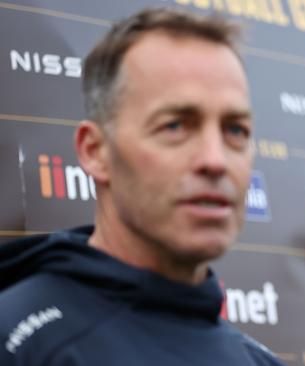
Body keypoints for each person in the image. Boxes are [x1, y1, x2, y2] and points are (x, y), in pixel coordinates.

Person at [0, 8, 284, 366]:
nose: (215, 160)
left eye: (235, 130)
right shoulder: (20, 341)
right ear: (95, 151)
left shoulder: (259, 361)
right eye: (175, 126)